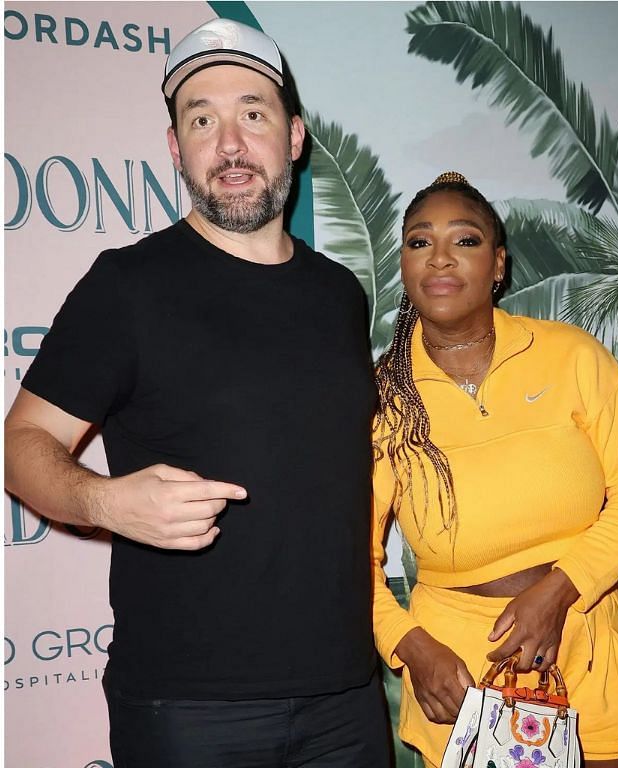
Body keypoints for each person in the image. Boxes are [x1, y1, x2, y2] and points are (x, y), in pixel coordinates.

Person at [3, 19, 388, 766]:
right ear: (177, 148)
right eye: (202, 120)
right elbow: (22, 447)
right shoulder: (126, 287)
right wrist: (104, 502)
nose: (231, 143)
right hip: (187, 709)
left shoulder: (341, 294)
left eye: (253, 112)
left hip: (346, 696)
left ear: (296, 135)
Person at [369, 172, 618, 768]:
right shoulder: (382, 400)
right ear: (403, 265)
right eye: (420, 242)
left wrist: (558, 593)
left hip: (587, 643)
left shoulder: (573, 356)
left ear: (499, 265)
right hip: (460, 679)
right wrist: (409, 647)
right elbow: (348, 557)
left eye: (466, 240)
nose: (441, 259)